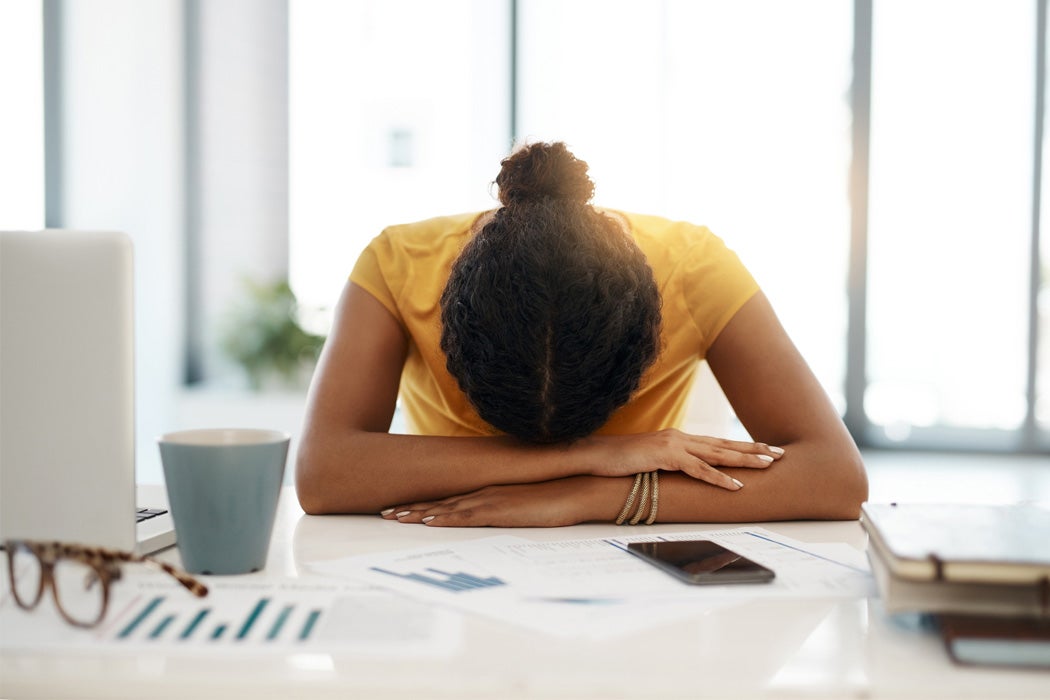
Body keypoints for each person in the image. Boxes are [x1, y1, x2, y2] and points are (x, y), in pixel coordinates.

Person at [295, 141, 867, 527]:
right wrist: (601, 453)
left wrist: (584, 496)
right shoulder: (398, 263)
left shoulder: (693, 267)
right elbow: (323, 474)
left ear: (650, 328)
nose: (554, 454)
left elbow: (834, 477)